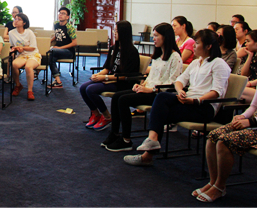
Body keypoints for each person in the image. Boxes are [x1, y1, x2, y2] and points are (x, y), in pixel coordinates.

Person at [195, 35, 257, 203]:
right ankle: (213, 182)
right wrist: (243, 116)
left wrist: (251, 121)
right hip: (256, 123)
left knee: (224, 141)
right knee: (212, 136)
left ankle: (219, 186)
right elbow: (254, 106)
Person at [123, 29, 230, 167]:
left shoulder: (219, 63)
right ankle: (152, 140)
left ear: (208, 46)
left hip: (204, 107)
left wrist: (196, 100)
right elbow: (179, 81)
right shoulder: (196, 63)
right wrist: (180, 91)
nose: (194, 46)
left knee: (161, 112)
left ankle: (148, 154)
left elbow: (217, 92)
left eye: (197, 43)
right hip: (189, 101)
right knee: (162, 97)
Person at [102, 23, 182, 151]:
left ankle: (126, 140)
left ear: (166, 37)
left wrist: (150, 89)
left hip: (159, 95)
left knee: (123, 100)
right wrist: (142, 84)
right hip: (148, 90)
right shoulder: (158, 55)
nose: (153, 39)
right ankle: (114, 133)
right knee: (117, 96)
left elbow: (172, 83)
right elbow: (151, 76)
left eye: (156, 36)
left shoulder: (175, 57)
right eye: (153, 36)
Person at [80, 20, 140, 131]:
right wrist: (98, 75)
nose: (114, 33)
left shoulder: (132, 52)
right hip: (111, 79)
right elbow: (107, 68)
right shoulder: (114, 48)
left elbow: (126, 76)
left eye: (116, 31)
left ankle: (107, 116)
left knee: (90, 90)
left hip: (122, 83)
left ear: (123, 33)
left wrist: (105, 77)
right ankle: (96, 114)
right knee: (83, 88)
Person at [9, 13, 41, 101]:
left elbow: (33, 47)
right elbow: (12, 46)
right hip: (21, 55)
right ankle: (18, 85)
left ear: (24, 23)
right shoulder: (11, 33)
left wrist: (22, 48)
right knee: (14, 64)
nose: (16, 21)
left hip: (33, 54)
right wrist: (14, 49)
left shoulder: (29, 32)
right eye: (15, 19)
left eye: (19, 19)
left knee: (28, 67)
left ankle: (30, 91)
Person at [49, 7, 78, 88]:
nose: (60, 15)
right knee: (50, 57)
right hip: (57, 51)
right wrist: (49, 41)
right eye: (60, 13)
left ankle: (37, 72)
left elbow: (74, 43)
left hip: (68, 52)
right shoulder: (56, 24)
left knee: (51, 52)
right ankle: (58, 81)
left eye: (63, 13)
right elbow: (57, 34)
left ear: (67, 17)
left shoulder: (69, 27)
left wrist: (60, 48)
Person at [238, 30, 257, 104]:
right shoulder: (256, 57)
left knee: (236, 90)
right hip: (251, 87)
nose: (246, 44)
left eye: (248, 41)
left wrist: (249, 84)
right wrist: (250, 56)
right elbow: (244, 74)